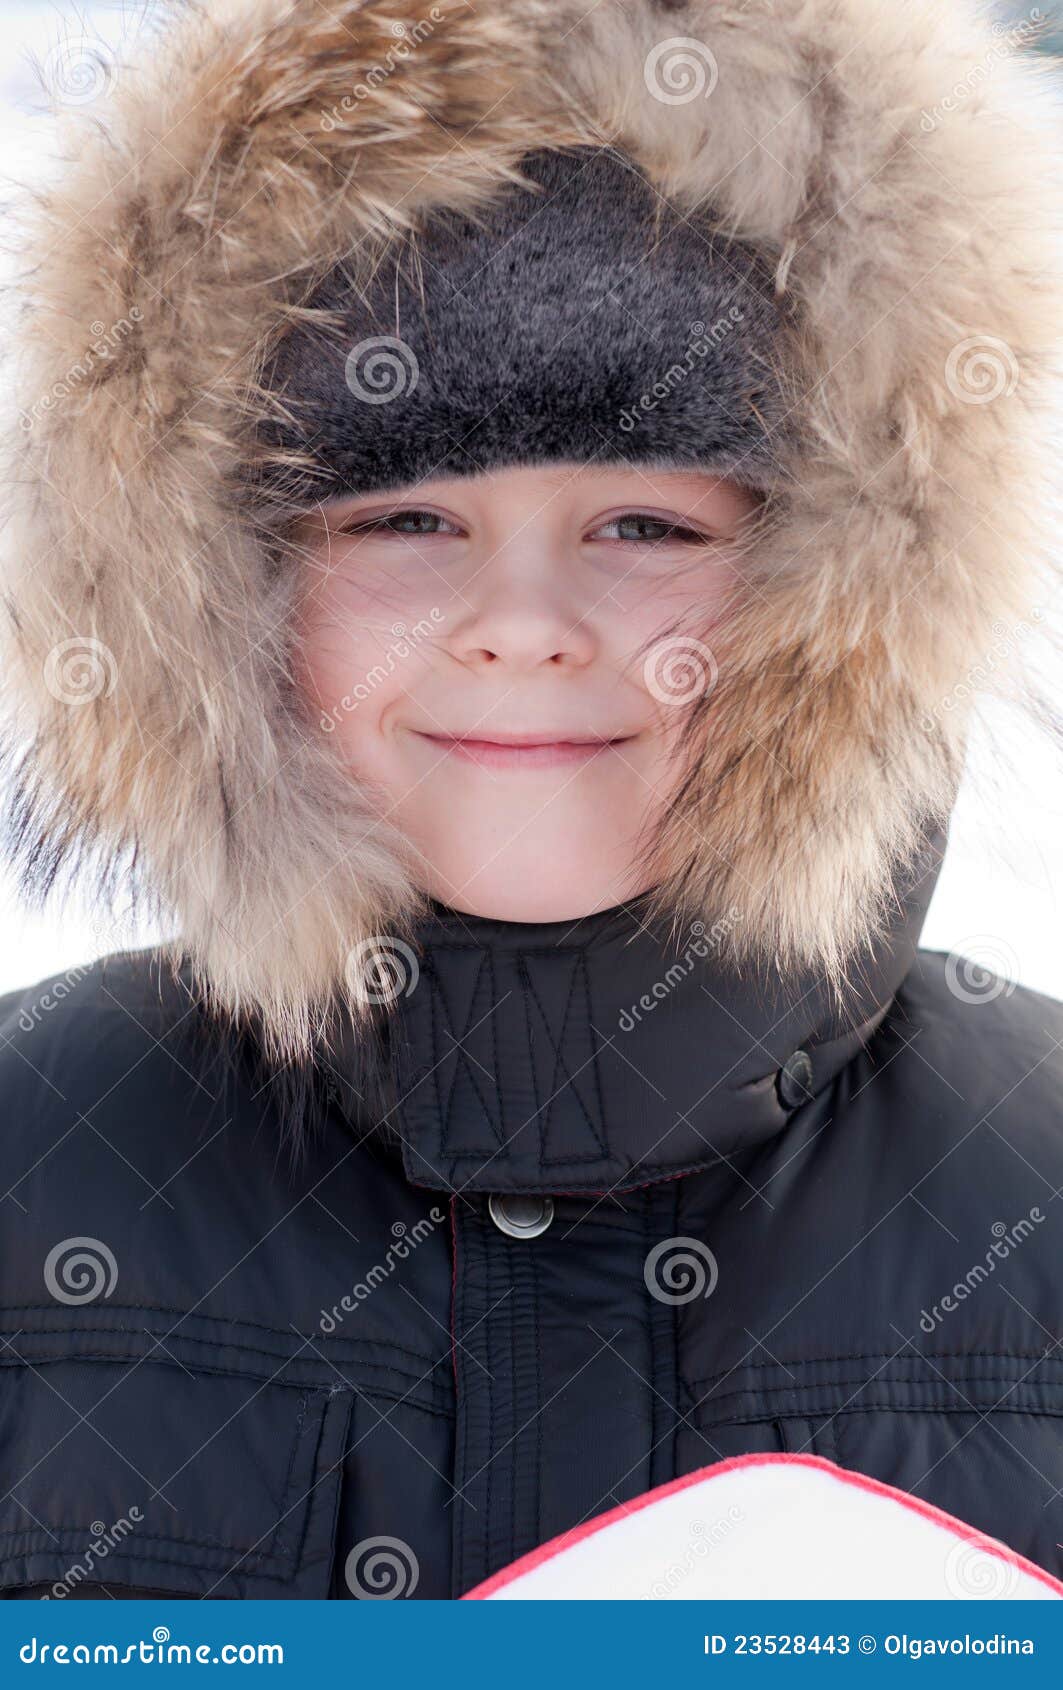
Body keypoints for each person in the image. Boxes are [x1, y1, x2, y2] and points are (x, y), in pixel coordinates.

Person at [0, 0, 1060, 1601]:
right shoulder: (37, 1162)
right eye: (407, 518)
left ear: (846, 587)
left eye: (646, 524)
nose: (523, 625)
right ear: (220, 590)